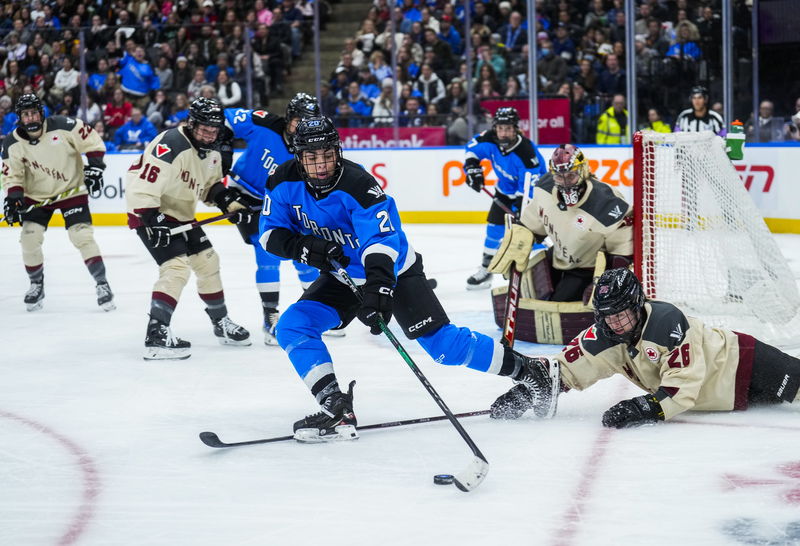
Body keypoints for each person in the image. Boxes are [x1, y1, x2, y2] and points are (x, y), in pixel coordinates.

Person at [258, 115, 560, 441]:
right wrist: (304, 246)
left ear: (338, 150)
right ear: (298, 156)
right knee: (292, 324)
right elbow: (269, 235)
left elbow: (380, 243)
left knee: (444, 347)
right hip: (342, 276)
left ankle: (531, 371)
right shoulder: (281, 181)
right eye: (312, 157)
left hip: (393, 271)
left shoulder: (359, 185)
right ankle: (335, 405)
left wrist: (379, 289)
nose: (321, 165)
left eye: (327, 155)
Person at [490, 268, 800, 425]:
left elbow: (683, 388)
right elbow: (566, 370)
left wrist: (644, 408)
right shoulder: (603, 336)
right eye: (607, 317)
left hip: (740, 362)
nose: (615, 325)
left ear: (637, 305)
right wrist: (530, 390)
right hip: (723, 399)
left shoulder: (667, 323)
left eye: (621, 315)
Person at [125, 97, 252, 360]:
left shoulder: (213, 153)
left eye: (214, 129)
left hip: (181, 215)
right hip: (151, 212)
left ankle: (220, 322)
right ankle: (157, 333)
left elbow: (210, 187)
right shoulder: (171, 143)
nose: (208, 134)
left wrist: (228, 202)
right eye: (203, 128)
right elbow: (143, 186)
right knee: (176, 268)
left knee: (208, 262)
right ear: (191, 123)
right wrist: (151, 218)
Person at [222, 93, 331, 345]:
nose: (301, 127)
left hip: (281, 205)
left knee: (306, 259)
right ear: (288, 118)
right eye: (297, 121)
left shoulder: (310, 149)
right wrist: (224, 150)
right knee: (267, 253)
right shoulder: (264, 123)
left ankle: (316, 312)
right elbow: (223, 118)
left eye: (307, 122)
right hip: (245, 196)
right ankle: (269, 317)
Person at [1, 93, 115, 312]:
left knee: (82, 235)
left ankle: (102, 283)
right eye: (26, 114)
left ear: (42, 113)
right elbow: (11, 176)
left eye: (34, 112)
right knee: (29, 239)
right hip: (36, 197)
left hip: (71, 191)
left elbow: (93, 141)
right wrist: (14, 198)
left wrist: (95, 167)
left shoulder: (64, 126)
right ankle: (36, 284)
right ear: (19, 117)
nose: (31, 118)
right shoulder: (12, 143)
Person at [488, 144, 633, 302]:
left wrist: (607, 282)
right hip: (558, 257)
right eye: (559, 177)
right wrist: (520, 240)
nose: (565, 182)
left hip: (588, 268)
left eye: (570, 176)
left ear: (583, 171)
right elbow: (533, 225)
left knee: (555, 304)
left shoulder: (606, 201)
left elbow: (622, 252)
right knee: (529, 291)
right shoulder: (545, 187)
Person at [461, 107, 547, 290]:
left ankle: (541, 272)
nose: (504, 132)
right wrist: (472, 168)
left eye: (508, 128)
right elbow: (471, 149)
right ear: (495, 128)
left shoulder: (526, 153)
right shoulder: (488, 138)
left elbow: (528, 190)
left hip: (532, 193)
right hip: (504, 190)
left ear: (515, 128)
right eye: (500, 128)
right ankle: (486, 271)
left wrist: (521, 212)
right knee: (493, 231)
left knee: (527, 234)